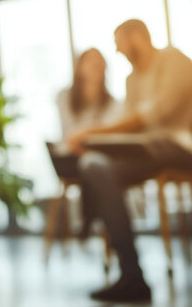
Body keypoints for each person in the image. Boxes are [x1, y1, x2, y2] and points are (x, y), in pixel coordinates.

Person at [69, 19, 192, 302]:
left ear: (136, 36)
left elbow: (153, 115)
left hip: (180, 146)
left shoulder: (173, 59)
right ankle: (132, 276)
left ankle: (89, 217)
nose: (117, 50)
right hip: (147, 153)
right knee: (93, 165)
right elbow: (130, 129)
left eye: (119, 42)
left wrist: (90, 132)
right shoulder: (131, 79)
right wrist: (93, 145)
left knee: (138, 145)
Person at [56, 48, 121, 239]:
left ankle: (88, 220)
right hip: (69, 156)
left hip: (98, 156)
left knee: (93, 166)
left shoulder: (112, 102)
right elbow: (69, 132)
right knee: (94, 167)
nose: (95, 65)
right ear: (79, 68)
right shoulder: (65, 96)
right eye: (90, 61)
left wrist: (87, 139)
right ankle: (93, 218)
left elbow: (109, 135)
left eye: (99, 61)